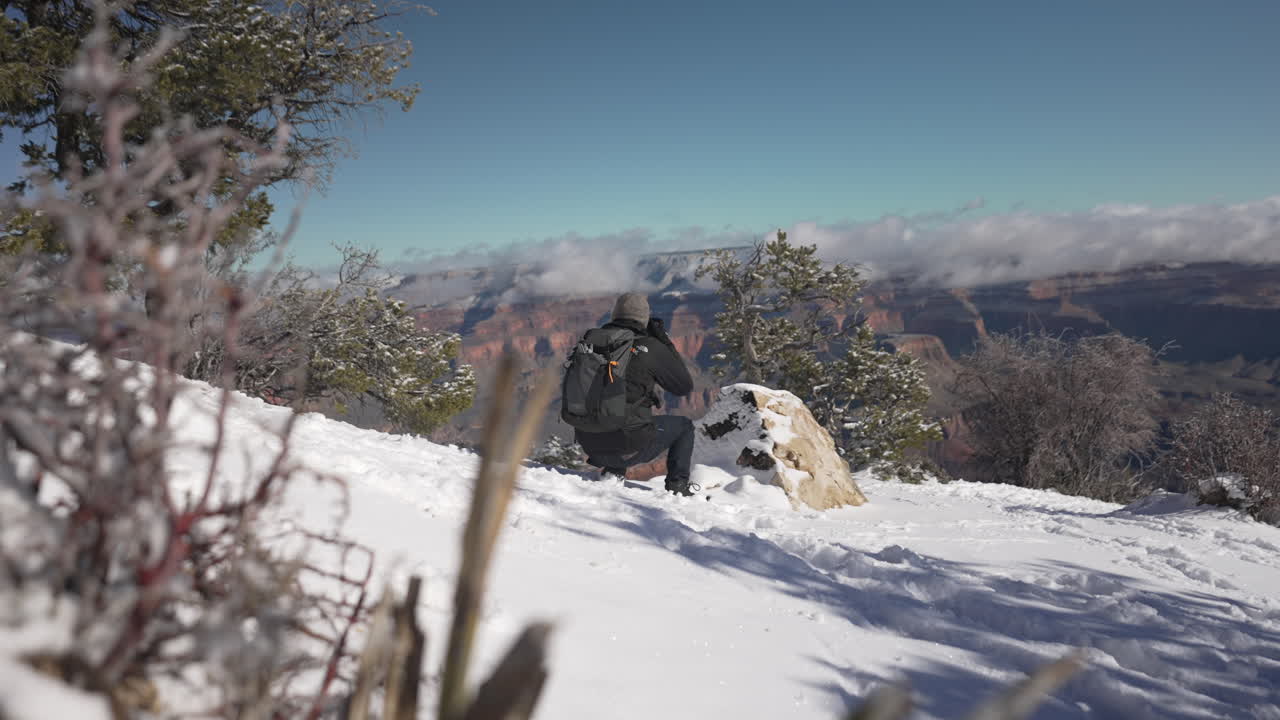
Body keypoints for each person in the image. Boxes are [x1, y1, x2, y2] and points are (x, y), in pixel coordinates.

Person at [575, 292, 697, 496]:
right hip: (627, 448)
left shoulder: (591, 340)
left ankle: (613, 473)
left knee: (616, 406)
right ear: (644, 318)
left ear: (615, 315)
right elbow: (683, 386)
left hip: (589, 443)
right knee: (684, 427)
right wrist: (664, 343)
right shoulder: (649, 346)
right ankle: (678, 487)